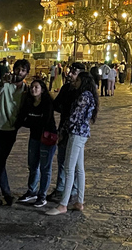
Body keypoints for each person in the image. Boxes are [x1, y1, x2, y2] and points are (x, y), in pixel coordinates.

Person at [47, 72, 98, 216]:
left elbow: (74, 117)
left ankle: (63, 204)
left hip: (76, 133)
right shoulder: (89, 95)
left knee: (69, 168)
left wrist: (62, 131)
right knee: (79, 168)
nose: (75, 82)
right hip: (82, 133)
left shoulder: (83, 96)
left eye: (78, 80)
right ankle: (79, 201)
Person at [0, 59, 30, 206]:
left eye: (23, 70)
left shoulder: (26, 90)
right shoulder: (5, 83)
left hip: (11, 129)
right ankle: (3, 193)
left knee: (1, 161)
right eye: (17, 69)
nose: (19, 72)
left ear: (27, 73)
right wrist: (3, 81)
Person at [15, 79, 57, 208]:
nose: (33, 89)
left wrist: (30, 121)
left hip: (47, 138)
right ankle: (32, 191)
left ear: (42, 89)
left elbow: (45, 121)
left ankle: (42, 195)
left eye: (36, 87)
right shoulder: (28, 102)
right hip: (34, 137)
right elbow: (22, 118)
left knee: (45, 168)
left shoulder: (47, 103)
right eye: (32, 87)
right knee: (33, 165)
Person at [47, 62, 85, 202]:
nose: (69, 74)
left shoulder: (83, 92)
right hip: (63, 127)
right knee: (62, 160)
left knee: (74, 163)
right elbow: (56, 105)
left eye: (74, 72)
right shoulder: (66, 88)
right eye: (70, 71)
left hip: (75, 132)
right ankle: (61, 188)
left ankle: (73, 191)